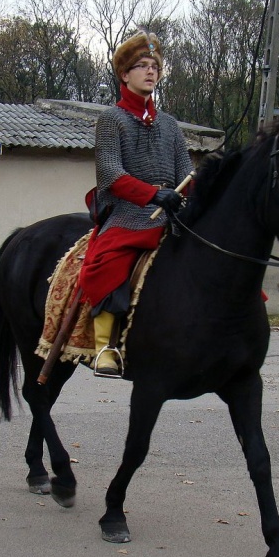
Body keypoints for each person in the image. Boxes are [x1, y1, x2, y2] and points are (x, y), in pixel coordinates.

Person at [78, 31, 194, 377]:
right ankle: (105, 349)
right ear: (124, 75)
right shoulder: (111, 119)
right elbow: (110, 173)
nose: (150, 72)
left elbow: (186, 172)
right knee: (107, 261)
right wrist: (152, 194)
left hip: (172, 214)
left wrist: (190, 189)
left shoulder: (170, 125)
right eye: (141, 66)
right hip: (129, 214)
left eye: (154, 67)